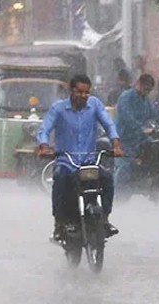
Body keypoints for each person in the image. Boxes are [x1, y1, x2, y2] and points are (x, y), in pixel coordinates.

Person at [37, 74, 123, 240]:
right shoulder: (59, 108)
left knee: (107, 178)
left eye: (87, 93)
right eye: (80, 92)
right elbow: (44, 129)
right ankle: (60, 223)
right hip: (66, 161)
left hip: (88, 162)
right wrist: (44, 146)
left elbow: (109, 124)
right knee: (60, 179)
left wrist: (116, 145)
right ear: (71, 91)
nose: (83, 96)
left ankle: (104, 219)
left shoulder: (95, 105)